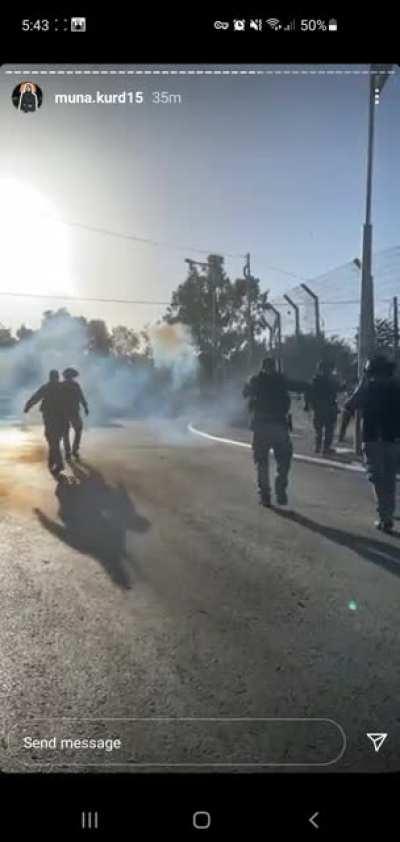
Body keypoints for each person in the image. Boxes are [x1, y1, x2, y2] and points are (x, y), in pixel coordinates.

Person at [339, 354, 400, 533]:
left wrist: (342, 433)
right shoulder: (397, 386)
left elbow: (348, 408)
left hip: (373, 439)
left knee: (377, 478)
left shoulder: (367, 388)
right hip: (394, 440)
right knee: (389, 479)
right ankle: (387, 514)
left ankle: (385, 517)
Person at [243, 357, 304, 507]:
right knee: (283, 460)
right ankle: (279, 488)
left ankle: (265, 495)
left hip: (263, 426)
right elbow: (298, 386)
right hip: (278, 425)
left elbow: (245, 393)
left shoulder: (255, 380)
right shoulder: (280, 380)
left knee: (262, 462)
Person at [24, 370, 66, 474]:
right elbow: (72, 400)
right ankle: (52, 460)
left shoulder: (47, 387)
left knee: (52, 439)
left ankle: (59, 463)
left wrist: (27, 406)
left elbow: (36, 397)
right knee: (54, 440)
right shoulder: (63, 388)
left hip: (50, 417)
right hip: (61, 418)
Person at [305, 360, 343, 455]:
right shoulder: (331, 380)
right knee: (329, 429)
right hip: (329, 407)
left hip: (318, 408)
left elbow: (308, 393)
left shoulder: (315, 380)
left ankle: (318, 447)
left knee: (319, 429)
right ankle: (325, 448)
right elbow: (339, 388)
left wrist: (308, 405)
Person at [61, 368, 89, 460]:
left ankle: (69, 451)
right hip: (72, 411)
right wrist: (85, 407)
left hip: (66, 411)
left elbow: (81, 396)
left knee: (66, 432)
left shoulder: (63, 385)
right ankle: (73, 450)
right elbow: (81, 397)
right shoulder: (75, 385)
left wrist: (85, 406)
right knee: (77, 429)